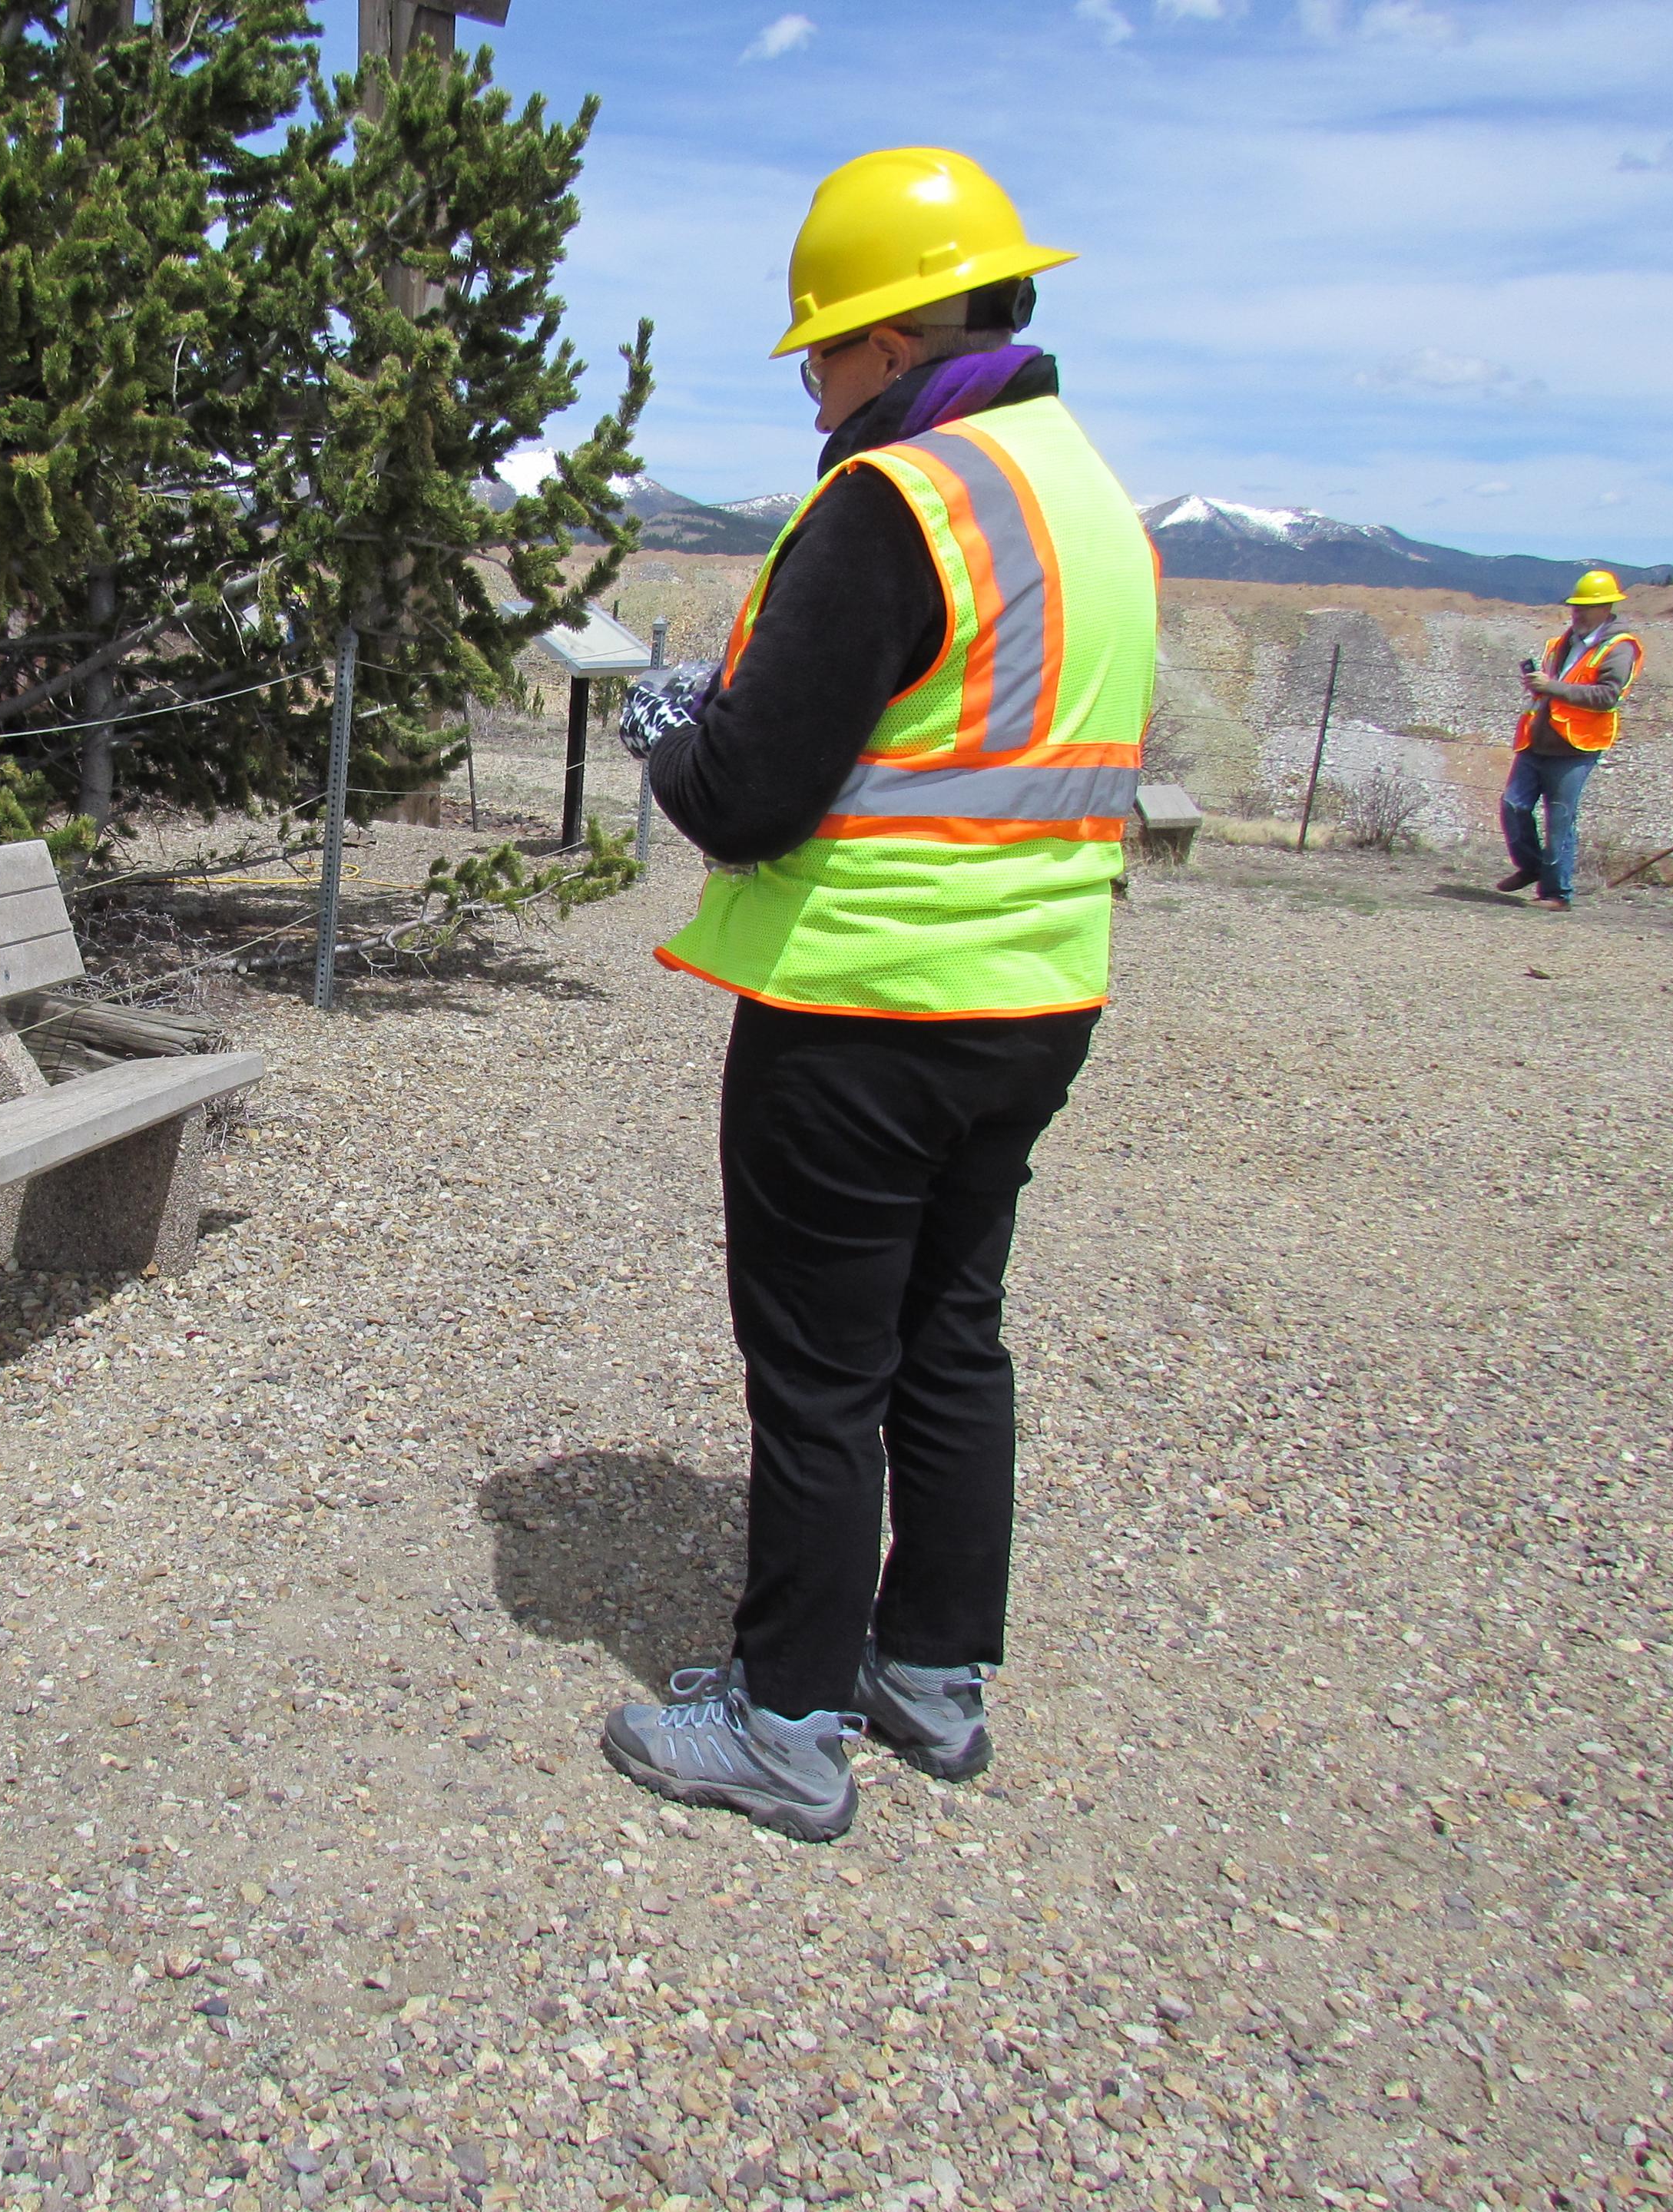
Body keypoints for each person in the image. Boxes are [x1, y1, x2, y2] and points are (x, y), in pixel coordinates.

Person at [599, 147, 1157, 1843]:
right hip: (1037, 998)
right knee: (951, 1340)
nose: (817, 389)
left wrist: (668, 738)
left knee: (822, 1373)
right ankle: (930, 1678)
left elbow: (757, 791)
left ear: (901, 339)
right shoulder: (1090, 499)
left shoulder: (894, 497)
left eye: (826, 352)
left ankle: (783, 1727)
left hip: (861, 1010)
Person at [1501, 571, 1642, 910]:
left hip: (1576, 746)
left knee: (1560, 818)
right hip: (1538, 739)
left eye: (1586, 607)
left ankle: (1556, 894)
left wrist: (1553, 688)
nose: (1577, 613)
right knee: (1512, 805)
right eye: (1576, 607)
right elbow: (1555, 686)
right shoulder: (1563, 642)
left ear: (1607, 608)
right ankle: (1532, 866)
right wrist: (1540, 685)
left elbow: (1608, 695)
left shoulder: (1619, 648)